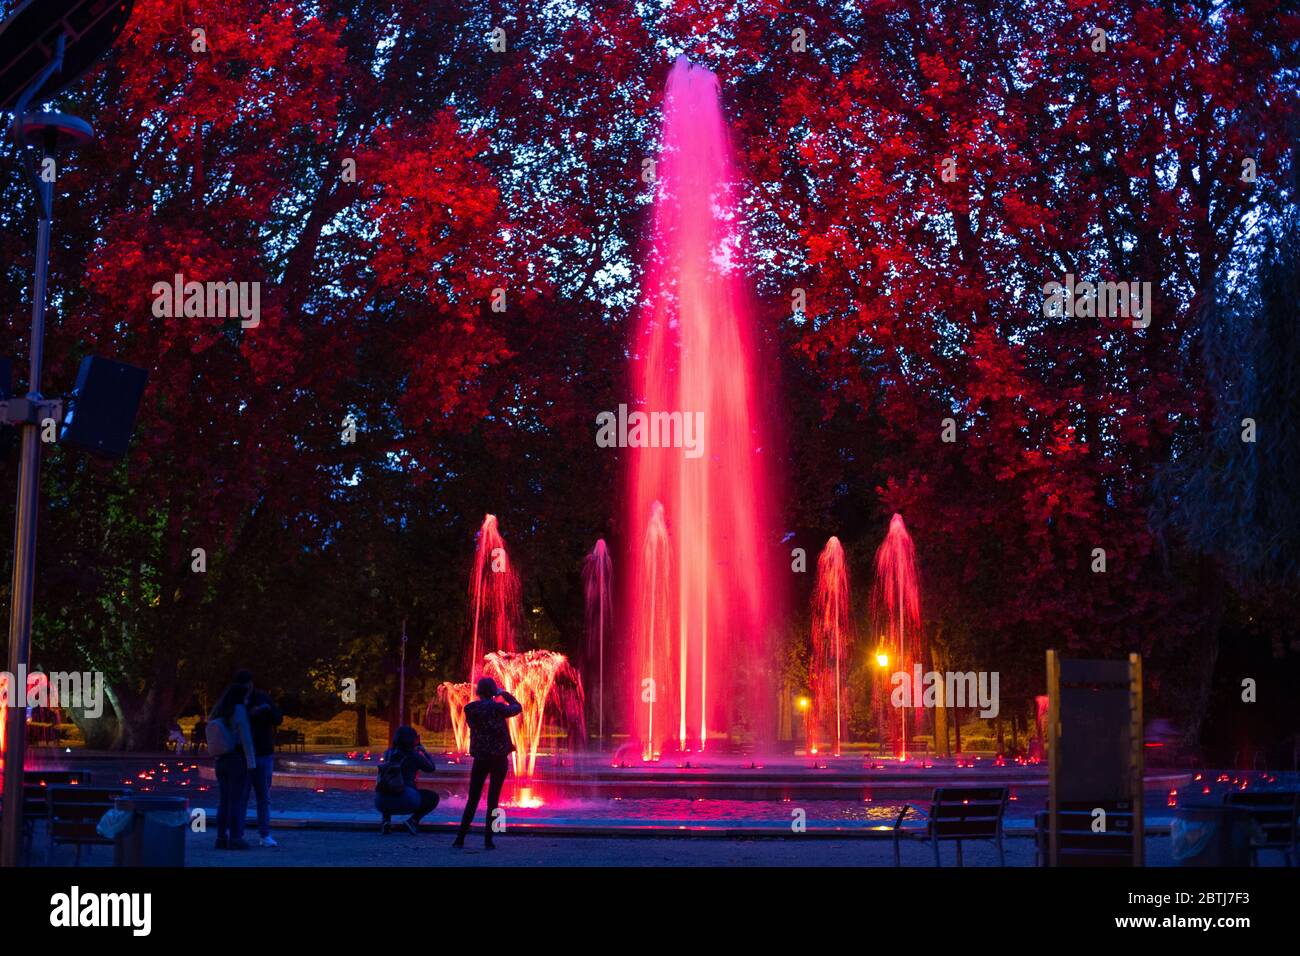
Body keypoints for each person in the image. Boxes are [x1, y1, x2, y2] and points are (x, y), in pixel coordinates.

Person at [453, 677, 522, 849]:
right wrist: (505, 695)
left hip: (480, 758)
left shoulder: (470, 709)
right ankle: (488, 840)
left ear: (478, 691)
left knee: (473, 799)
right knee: (493, 800)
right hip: (498, 758)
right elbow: (517, 708)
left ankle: (460, 838)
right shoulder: (498, 708)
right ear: (493, 691)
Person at [208, 674, 257, 850]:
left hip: (220, 760)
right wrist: (251, 764)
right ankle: (235, 838)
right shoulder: (239, 710)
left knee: (223, 800)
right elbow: (246, 739)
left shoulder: (219, 710)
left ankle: (221, 837)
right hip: (236, 758)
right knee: (236, 800)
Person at [375, 725, 439, 834]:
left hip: (380, 802)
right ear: (413, 740)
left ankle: (386, 821)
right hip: (406, 800)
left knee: (388, 787)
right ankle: (413, 821)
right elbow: (431, 768)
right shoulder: (414, 755)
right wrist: (423, 752)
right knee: (433, 797)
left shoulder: (388, 753)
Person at [241, 681, 283, 847]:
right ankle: (246, 833)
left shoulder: (261, 699)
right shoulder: (241, 701)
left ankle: (261, 833)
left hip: (259, 752)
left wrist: (265, 710)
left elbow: (278, 718)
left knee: (261, 797)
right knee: (252, 797)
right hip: (250, 753)